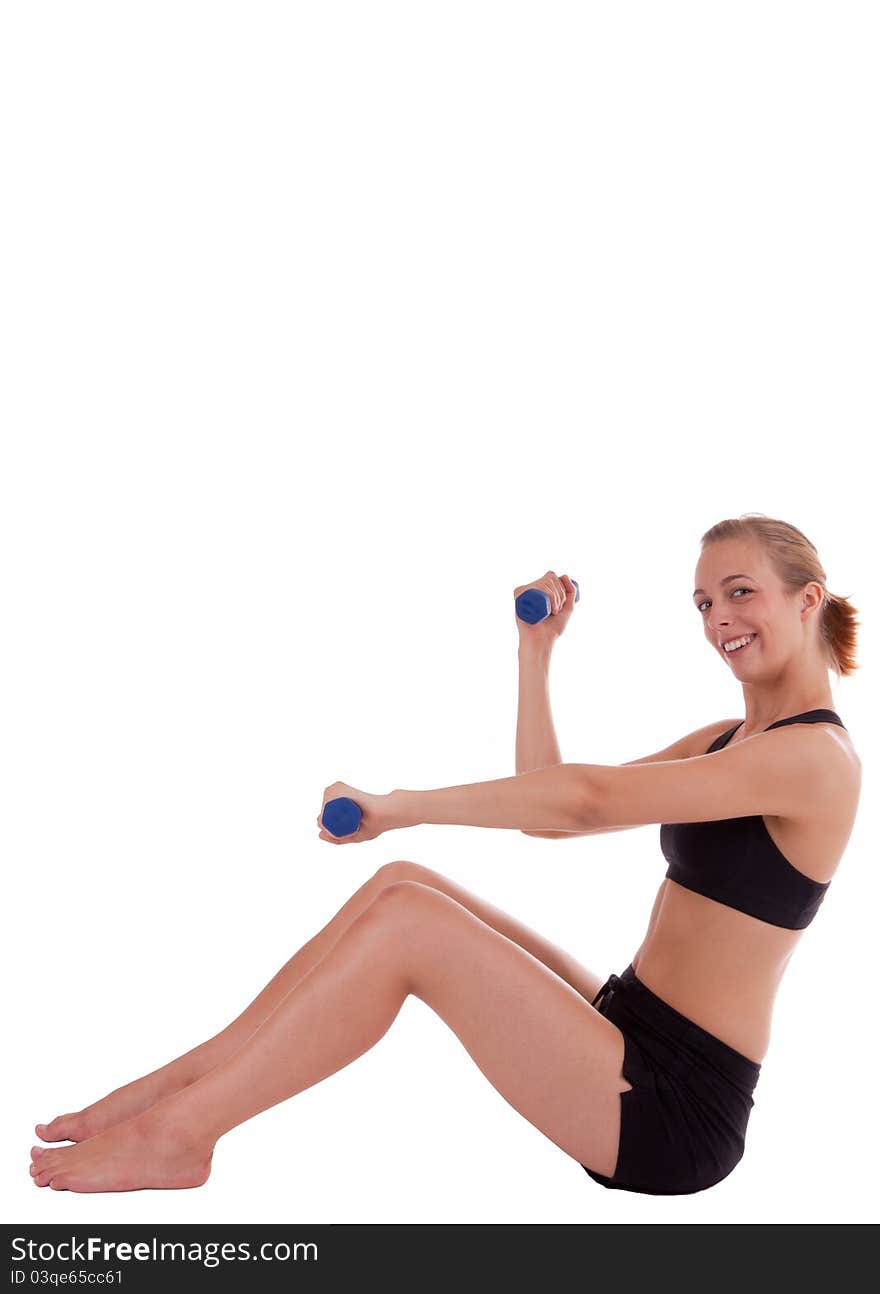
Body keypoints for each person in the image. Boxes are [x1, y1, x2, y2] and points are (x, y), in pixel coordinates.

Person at [30, 513, 861, 1196]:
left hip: (674, 1109)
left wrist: (403, 807)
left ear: (806, 600)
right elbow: (552, 803)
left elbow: (587, 799)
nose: (719, 621)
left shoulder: (816, 761)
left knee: (412, 924)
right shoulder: (726, 741)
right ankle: (165, 1095)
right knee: (404, 886)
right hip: (627, 1021)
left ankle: (182, 1138)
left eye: (740, 593)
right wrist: (536, 653)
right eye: (704, 602)